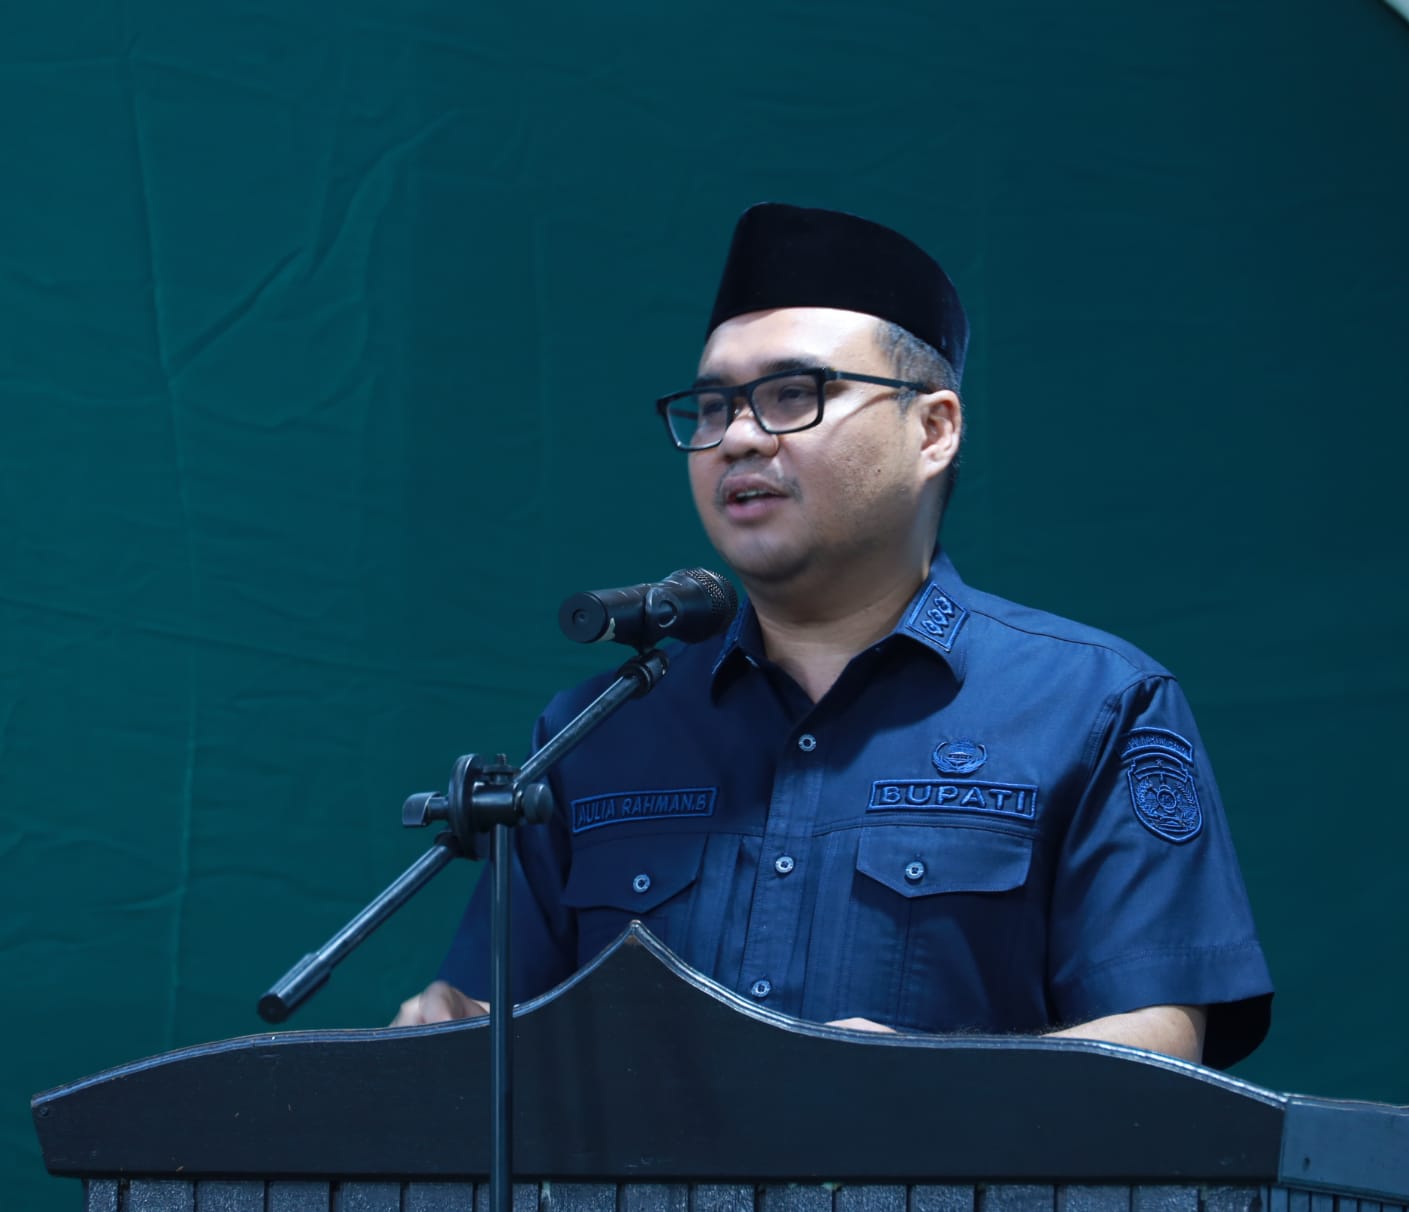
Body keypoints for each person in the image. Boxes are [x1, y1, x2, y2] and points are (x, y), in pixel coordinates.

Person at [392, 203, 1273, 1068]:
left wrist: (928, 1087)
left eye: (791, 395)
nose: (737, 438)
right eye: (712, 407)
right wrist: (451, 1030)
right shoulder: (597, 730)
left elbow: (1157, 1040)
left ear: (933, 429)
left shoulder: (1094, 705)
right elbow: (496, 1026)